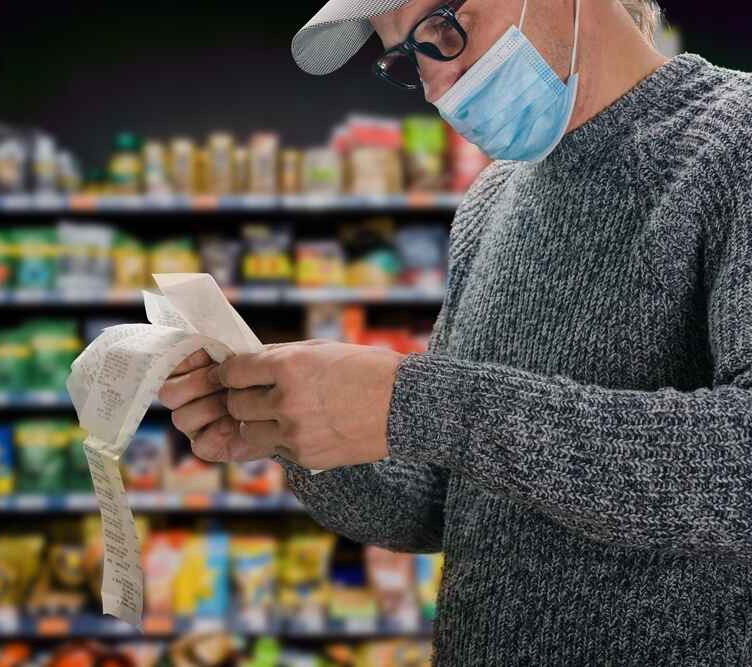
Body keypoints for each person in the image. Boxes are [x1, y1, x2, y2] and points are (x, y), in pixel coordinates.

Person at [160, 0, 752, 663]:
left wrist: (413, 401)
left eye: (446, 22)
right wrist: (289, 423)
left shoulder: (737, 142)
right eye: (405, 59)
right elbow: (437, 504)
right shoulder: (489, 205)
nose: (438, 86)